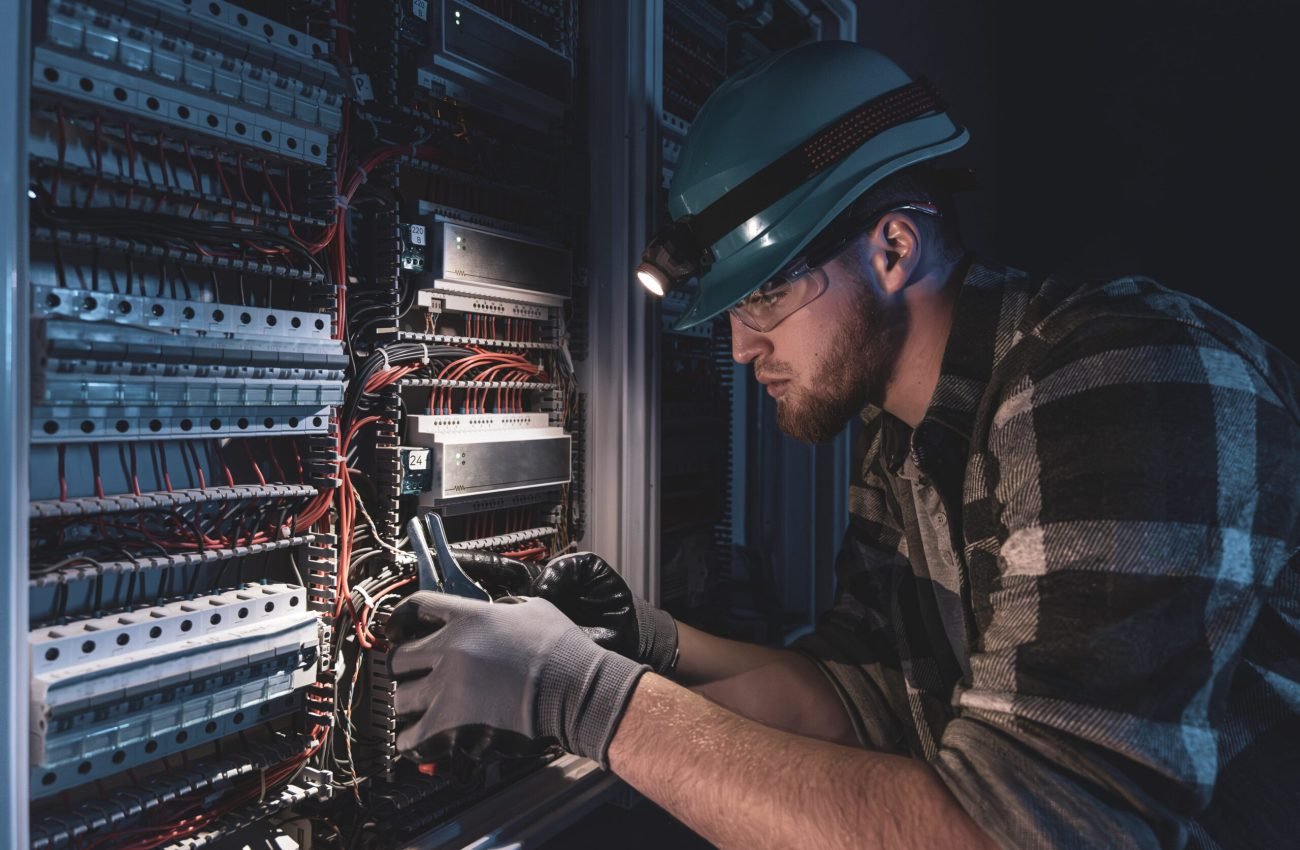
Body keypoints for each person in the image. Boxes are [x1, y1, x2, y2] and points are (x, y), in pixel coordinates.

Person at [384, 41, 1300, 849]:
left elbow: (1017, 832)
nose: (743, 346)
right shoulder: (902, 439)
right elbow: (858, 698)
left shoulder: (1129, 386)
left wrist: (576, 693)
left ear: (893, 248)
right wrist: (646, 642)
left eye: (765, 297)